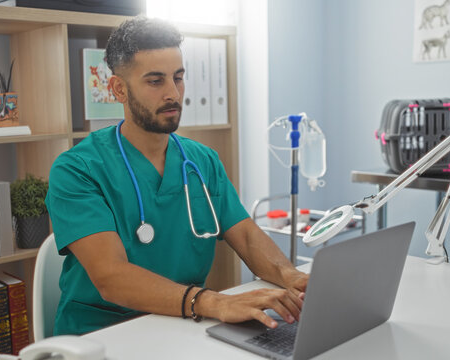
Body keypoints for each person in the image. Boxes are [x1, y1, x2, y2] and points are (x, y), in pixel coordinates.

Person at [45, 16, 308, 336]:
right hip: (100, 336)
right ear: (118, 89)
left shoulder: (202, 161)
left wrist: (295, 279)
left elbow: (249, 238)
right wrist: (215, 303)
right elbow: (111, 278)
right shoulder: (77, 170)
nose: (173, 93)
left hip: (182, 324)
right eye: (155, 81)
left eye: (178, 77)